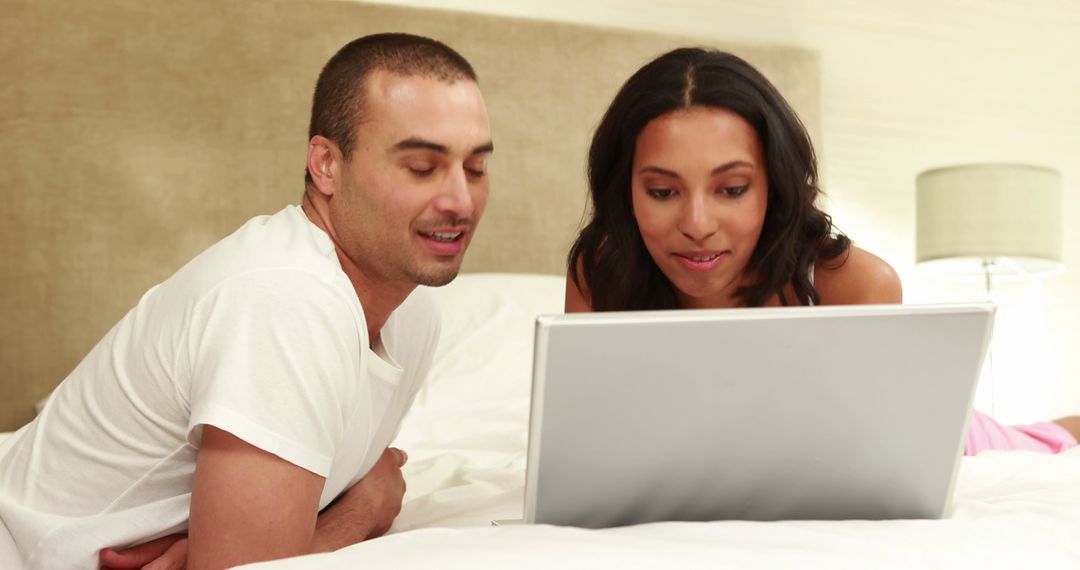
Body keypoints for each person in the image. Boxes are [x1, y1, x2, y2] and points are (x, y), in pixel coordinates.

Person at [0, 33, 493, 569]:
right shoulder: (286, 297)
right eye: (422, 167)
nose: (459, 201)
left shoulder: (412, 313)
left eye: (476, 168)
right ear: (326, 164)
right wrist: (368, 507)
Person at [564, 47, 1079, 455]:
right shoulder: (602, 276)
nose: (697, 225)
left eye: (733, 188)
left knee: (1046, 443)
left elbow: (877, 453)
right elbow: (589, 444)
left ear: (775, 186)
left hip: (929, 428)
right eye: (662, 192)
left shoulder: (854, 284)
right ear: (624, 192)